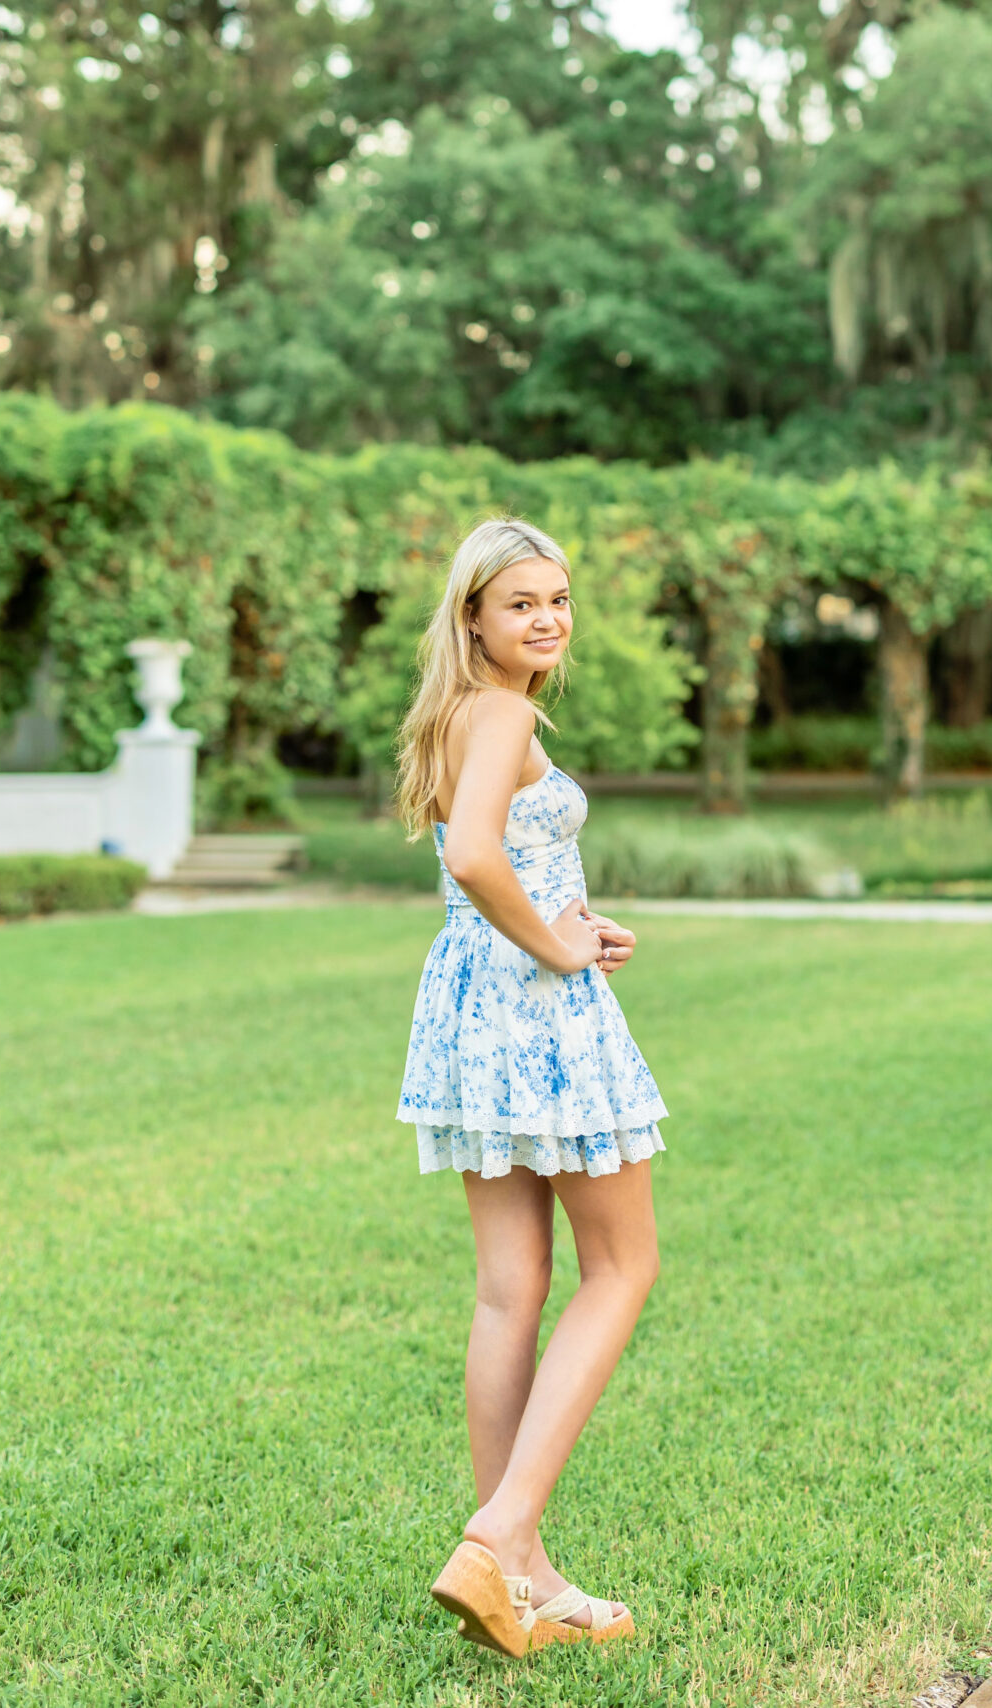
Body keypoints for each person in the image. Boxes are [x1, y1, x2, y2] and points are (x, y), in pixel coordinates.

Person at [393, 516, 668, 1658]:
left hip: (473, 1002)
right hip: (530, 1009)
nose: (546, 618)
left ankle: (524, 1571)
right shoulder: (500, 709)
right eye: (519, 602)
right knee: (622, 1263)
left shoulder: (460, 713)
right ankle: (499, 1528)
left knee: (511, 1287)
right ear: (472, 615)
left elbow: (501, 859)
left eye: (557, 599)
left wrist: (571, 920)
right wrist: (557, 953)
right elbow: (471, 857)